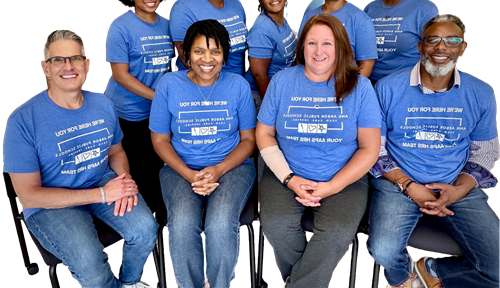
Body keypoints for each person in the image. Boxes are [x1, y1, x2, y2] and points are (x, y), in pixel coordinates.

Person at [3, 29, 157, 288]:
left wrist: (124, 179)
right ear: (45, 68)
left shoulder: (102, 104)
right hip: (50, 204)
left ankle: (129, 283)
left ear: (86, 65)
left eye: (75, 58)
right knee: (92, 269)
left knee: (145, 230)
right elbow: (29, 196)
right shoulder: (22, 121)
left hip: (101, 181)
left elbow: (116, 152)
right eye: (58, 60)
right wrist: (103, 195)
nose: (68, 66)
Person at [368, 14, 500, 288]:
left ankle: (432, 270)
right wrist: (409, 185)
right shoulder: (387, 88)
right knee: (382, 250)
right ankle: (403, 279)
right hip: (399, 184)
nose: (442, 47)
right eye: (433, 40)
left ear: (463, 48)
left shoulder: (482, 92)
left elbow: (485, 152)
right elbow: (375, 150)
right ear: (420, 46)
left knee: (498, 268)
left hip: (456, 185)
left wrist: (459, 190)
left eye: (452, 40)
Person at [257, 14, 381, 287]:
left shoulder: (360, 87)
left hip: (344, 175)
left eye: (327, 43)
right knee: (276, 224)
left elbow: (370, 148)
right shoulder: (281, 81)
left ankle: (295, 283)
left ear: (340, 47)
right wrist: (289, 178)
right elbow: (264, 134)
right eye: (311, 42)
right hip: (285, 171)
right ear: (301, 46)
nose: (318, 50)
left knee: (336, 231)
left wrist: (332, 186)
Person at [150, 19, 256, 288]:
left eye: (215, 51)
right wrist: (189, 174)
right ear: (186, 53)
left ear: (225, 55)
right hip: (180, 167)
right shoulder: (168, 85)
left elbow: (248, 140)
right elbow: (160, 140)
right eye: (198, 51)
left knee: (220, 223)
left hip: (232, 166)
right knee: (183, 223)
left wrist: (218, 169)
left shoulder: (238, 86)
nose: (207, 59)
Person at [105, 0, 173, 206]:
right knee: (139, 173)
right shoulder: (120, 27)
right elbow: (120, 75)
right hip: (128, 113)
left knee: (160, 168)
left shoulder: (168, 25)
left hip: (158, 111)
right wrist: (159, 97)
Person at [298, 0, 378, 78]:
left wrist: (351, 93)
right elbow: (300, 59)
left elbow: (367, 63)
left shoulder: (360, 19)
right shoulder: (309, 16)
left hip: (345, 90)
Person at [244, 0, 297, 106]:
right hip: (260, 94)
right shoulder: (262, 30)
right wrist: (273, 106)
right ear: (260, 1)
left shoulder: (281, 20)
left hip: (279, 90)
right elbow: (259, 75)